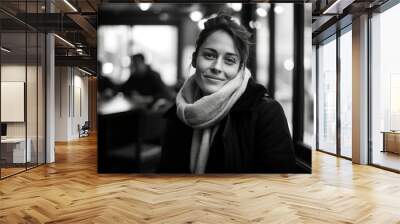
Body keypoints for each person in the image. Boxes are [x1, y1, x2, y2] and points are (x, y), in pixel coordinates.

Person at [158, 14, 296, 173]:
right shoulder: (178, 112)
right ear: (195, 59)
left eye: (229, 60)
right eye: (209, 55)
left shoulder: (266, 112)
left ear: (240, 68)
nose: (217, 67)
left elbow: (279, 186)